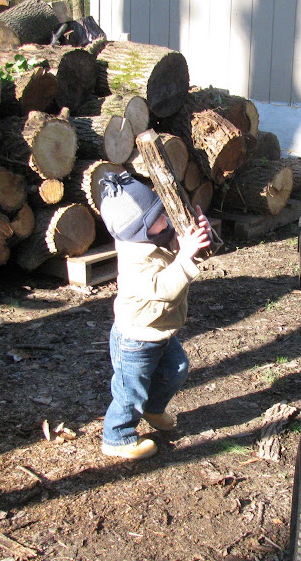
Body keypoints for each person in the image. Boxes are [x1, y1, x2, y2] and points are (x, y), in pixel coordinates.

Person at [98, 171, 212, 459]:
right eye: (159, 217)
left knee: (177, 369)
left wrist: (198, 237)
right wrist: (185, 255)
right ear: (139, 229)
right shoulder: (135, 261)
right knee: (130, 392)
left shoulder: (150, 240)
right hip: (135, 339)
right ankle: (117, 438)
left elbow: (182, 251)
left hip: (159, 331)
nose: (167, 220)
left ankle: (154, 408)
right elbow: (166, 289)